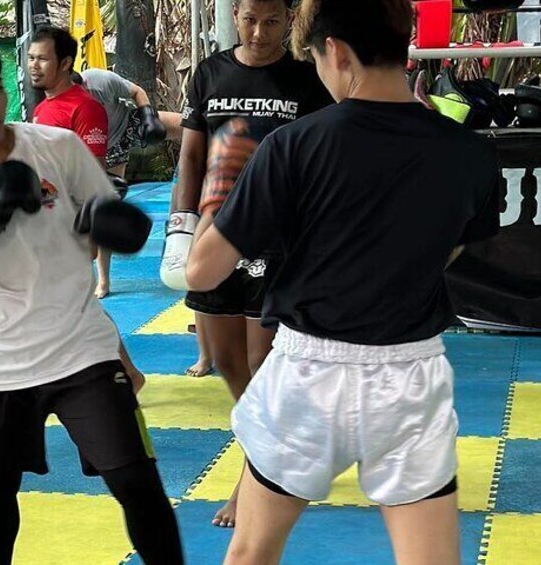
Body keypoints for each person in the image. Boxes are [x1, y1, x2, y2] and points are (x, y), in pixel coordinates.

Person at [186, 0, 501, 562]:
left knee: (250, 554)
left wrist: (219, 192)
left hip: (308, 373)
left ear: (334, 51)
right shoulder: (470, 153)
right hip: (411, 373)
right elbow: (447, 252)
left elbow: (201, 271)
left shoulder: (293, 145)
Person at [0, 32, 183, 565]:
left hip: (81, 345)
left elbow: (116, 227)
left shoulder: (57, 147)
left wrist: (119, 224)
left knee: (137, 482)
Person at [161, 0, 334, 527]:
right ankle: (273, 437)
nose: (260, 32)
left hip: (276, 240)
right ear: (235, 15)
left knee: (261, 367)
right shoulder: (210, 72)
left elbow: (321, 160)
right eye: (250, 20)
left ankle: (250, 477)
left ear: (289, 21)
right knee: (227, 361)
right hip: (215, 233)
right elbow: (191, 156)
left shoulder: (306, 80)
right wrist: (180, 227)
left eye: (273, 22)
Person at [28, 27, 123, 300]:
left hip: (66, 226)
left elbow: (92, 175)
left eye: (42, 59)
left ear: (66, 63)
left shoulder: (85, 107)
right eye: (31, 58)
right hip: (42, 220)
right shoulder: (42, 108)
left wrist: (85, 234)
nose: (34, 65)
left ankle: (103, 281)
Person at [73, 68, 181, 178]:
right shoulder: (59, 114)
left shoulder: (101, 81)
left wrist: (149, 118)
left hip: (126, 121)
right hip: (106, 147)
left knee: (188, 125)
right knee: (113, 191)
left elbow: (137, 91)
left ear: (85, 84)